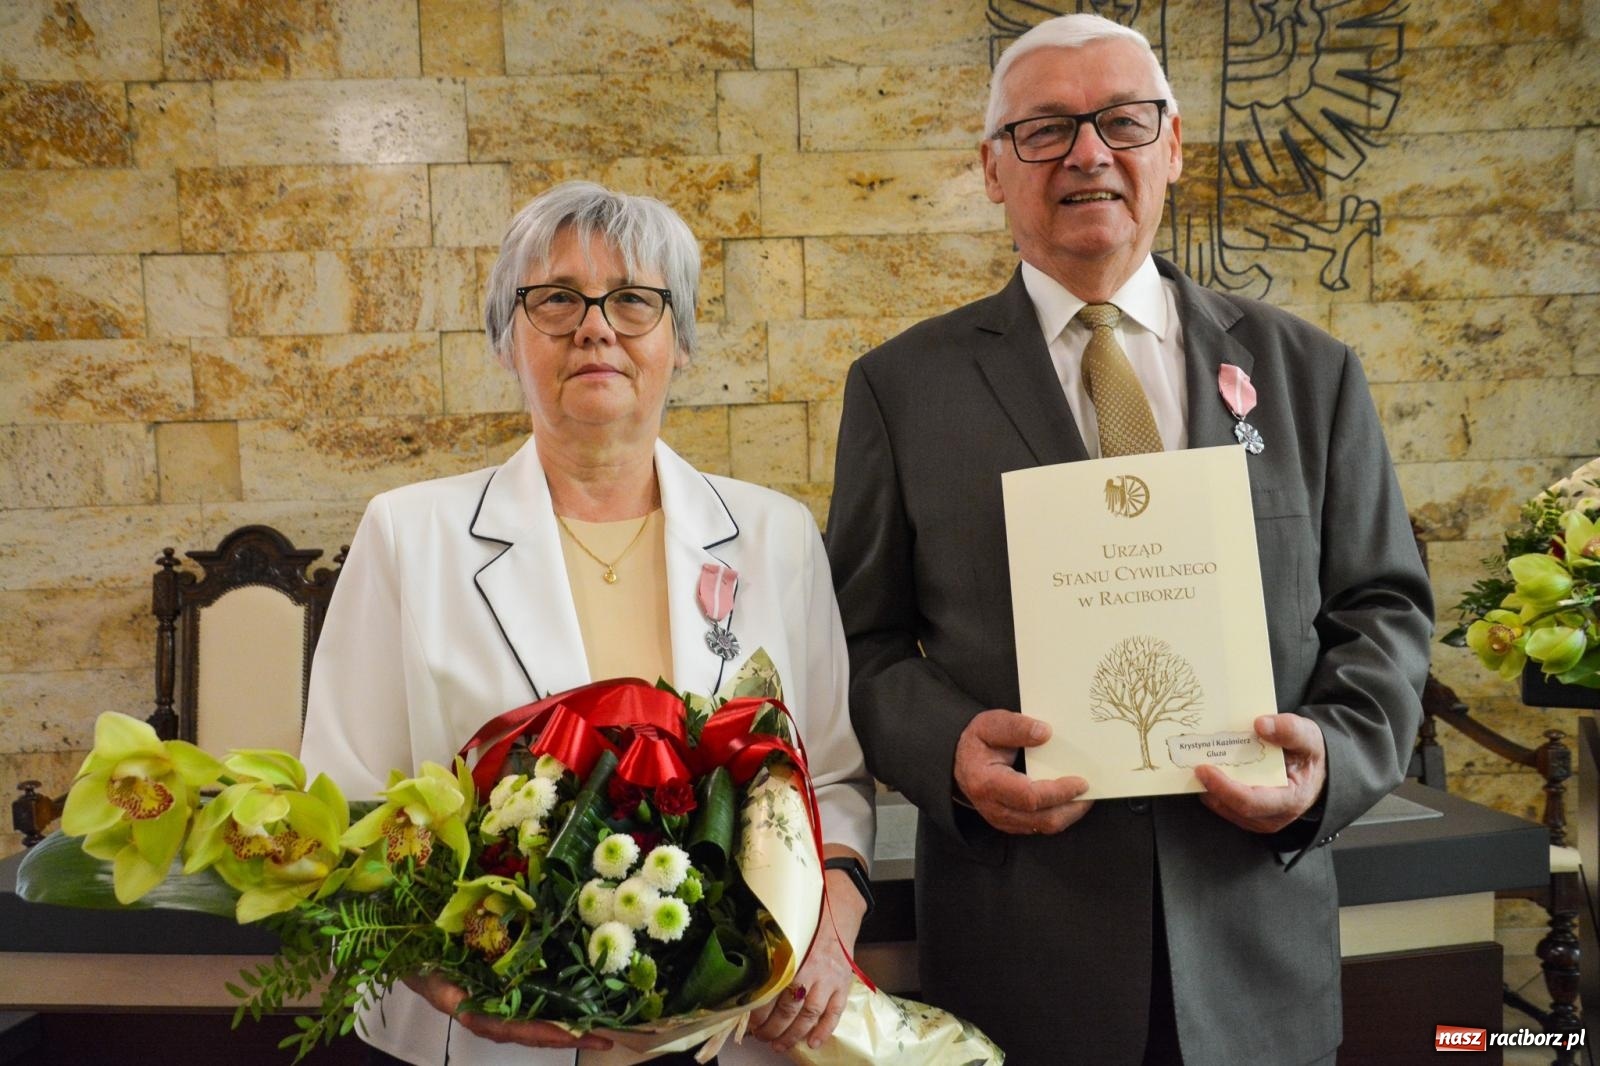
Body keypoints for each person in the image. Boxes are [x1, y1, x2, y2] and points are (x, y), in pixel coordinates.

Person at [824, 14, 1432, 1066]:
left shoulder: (1308, 373)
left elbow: (1384, 610)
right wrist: (951, 754)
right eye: (1045, 129)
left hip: (1257, 946)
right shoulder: (901, 388)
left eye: (1121, 120)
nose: (1088, 153)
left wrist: (1330, 759)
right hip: (1023, 951)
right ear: (990, 168)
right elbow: (861, 644)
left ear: (1174, 146)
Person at [301, 181, 875, 1066]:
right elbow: (342, 810)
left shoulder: (774, 537)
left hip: (735, 1032)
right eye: (557, 299)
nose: (596, 326)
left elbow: (829, 777)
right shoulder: (406, 535)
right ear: (507, 338)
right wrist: (453, 982)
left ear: (678, 342)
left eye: (634, 301)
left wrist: (831, 922)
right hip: (490, 1032)